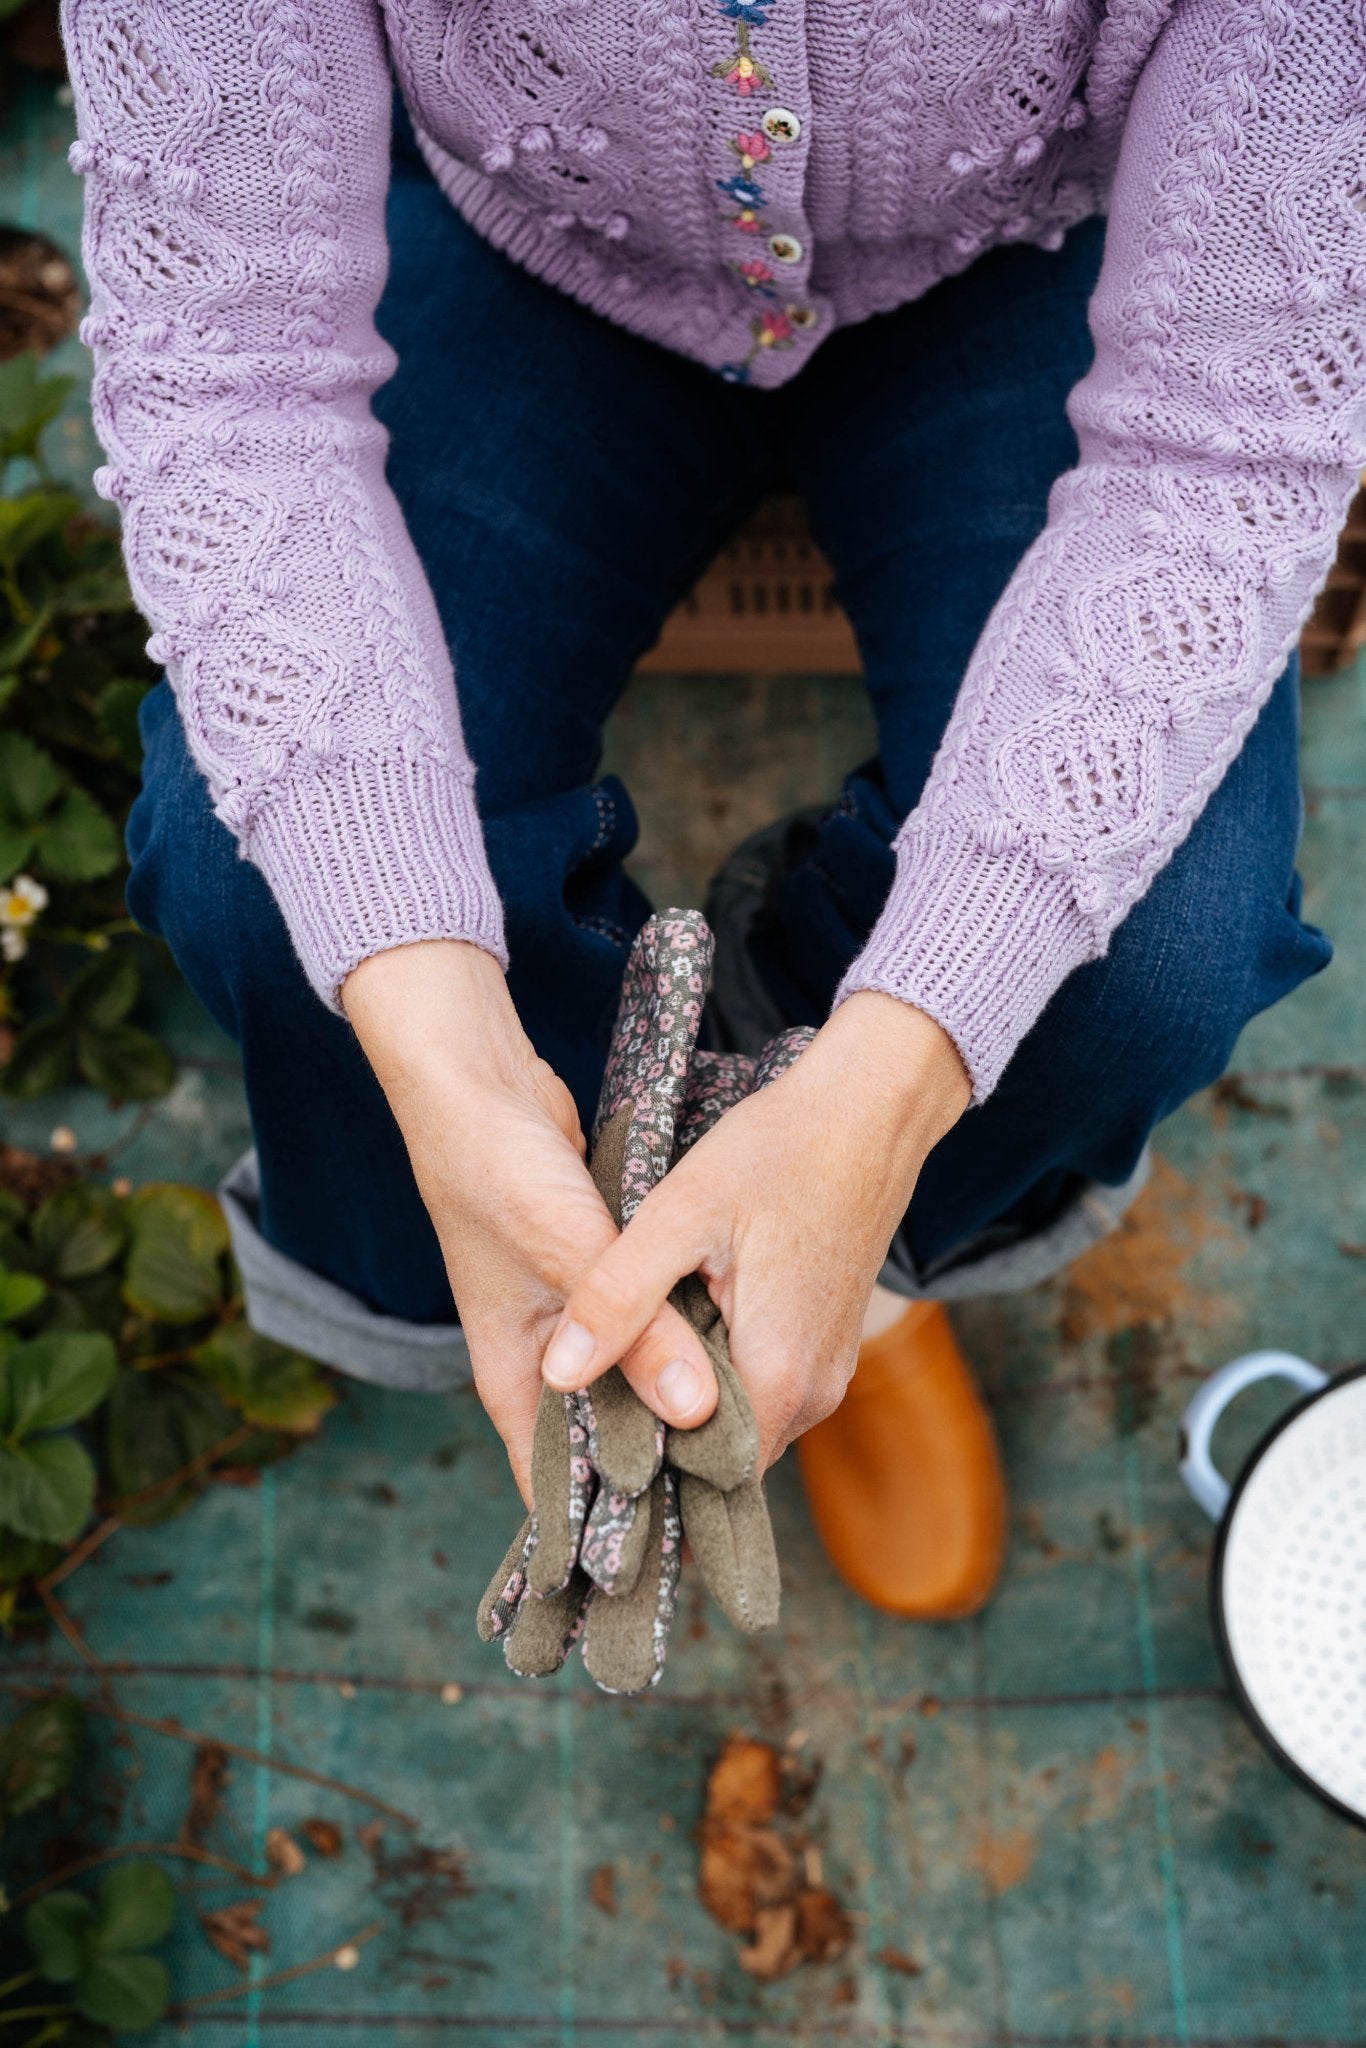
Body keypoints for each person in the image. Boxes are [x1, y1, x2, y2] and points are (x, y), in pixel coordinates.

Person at [64, 0, 1355, 1619]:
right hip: (535, 244)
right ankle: (561, 1261)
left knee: (1158, 945)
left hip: (1022, 259)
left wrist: (888, 1084)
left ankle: (851, 1251)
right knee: (260, 877)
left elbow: (1223, 454)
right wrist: (437, 1038)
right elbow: (225, 384)